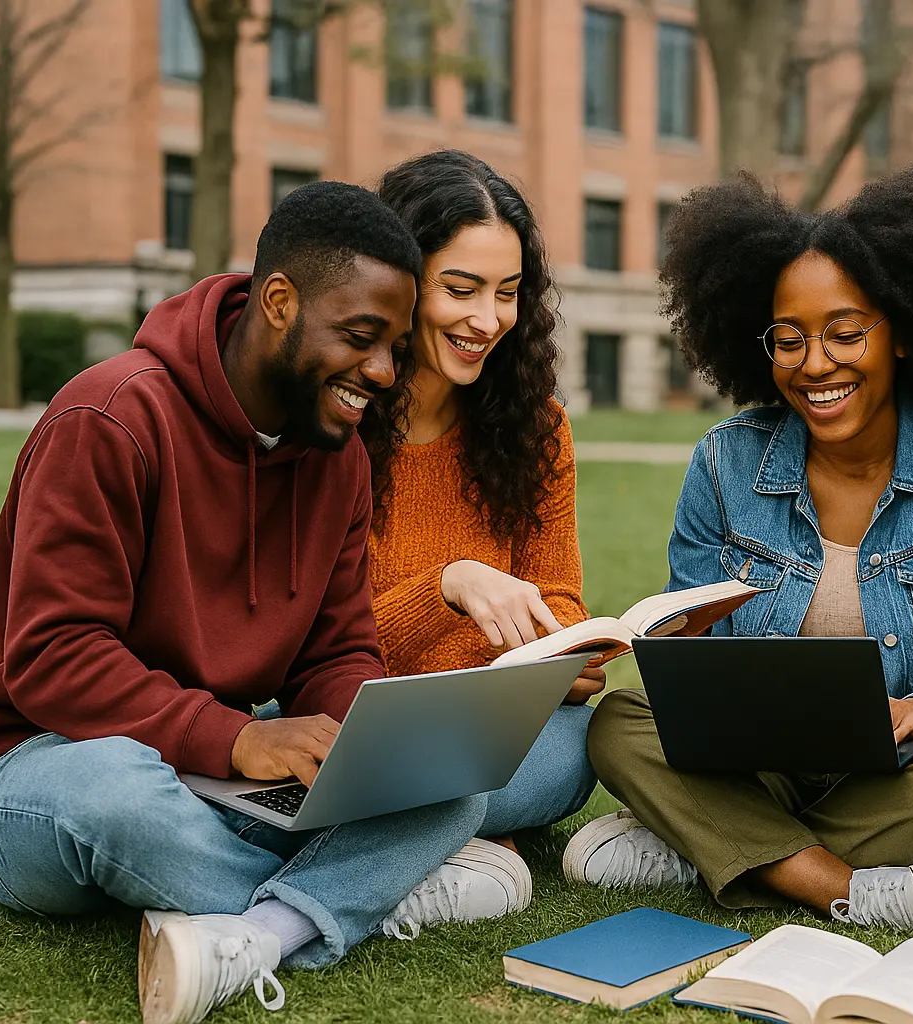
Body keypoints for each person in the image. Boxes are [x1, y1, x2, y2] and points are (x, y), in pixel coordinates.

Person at [0, 183, 502, 1024]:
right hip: (30, 770)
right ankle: (370, 897)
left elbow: (334, 651)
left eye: (395, 346)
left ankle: (262, 932)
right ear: (279, 302)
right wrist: (238, 735)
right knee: (120, 790)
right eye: (362, 339)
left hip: (203, 775)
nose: (385, 374)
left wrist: (374, 744)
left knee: (452, 787)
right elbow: (53, 655)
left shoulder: (338, 457)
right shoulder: (111, 416)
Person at [564, 164, 913, 939]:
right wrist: (675, 642)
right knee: (620, 723)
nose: (815, 364)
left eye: (845, 333)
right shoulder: (726, 461)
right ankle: (834, 883)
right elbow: (696, 652)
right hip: (761, 762)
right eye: (788, 340)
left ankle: (709, 847)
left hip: (904, 770)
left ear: (908, 331)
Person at [360, 150, 599, 925]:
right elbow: (322, 647)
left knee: (580, 746)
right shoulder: (338, 421)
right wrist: (446, 588)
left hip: (488, 727)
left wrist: (563, 655)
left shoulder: (536, 427)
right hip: (355, 721)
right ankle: (421, 850)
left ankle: (408, 838)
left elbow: (554, 589)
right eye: (460, 290)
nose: (487, 320)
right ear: (400, 281)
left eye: (507, 293)